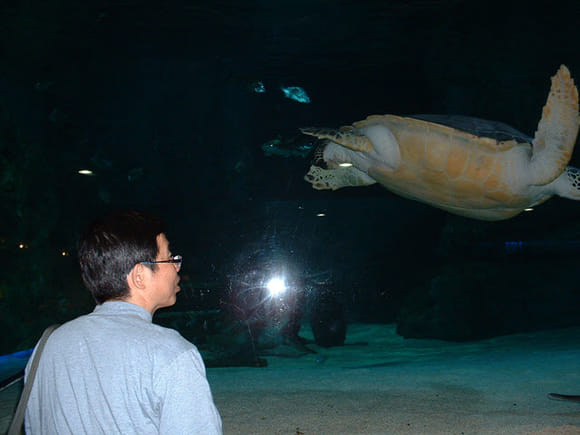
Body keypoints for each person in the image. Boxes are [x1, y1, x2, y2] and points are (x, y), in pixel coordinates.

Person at [24, 210, 222, 434]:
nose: (177, 266)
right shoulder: (172, 354)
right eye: (169, 258)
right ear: (139, 275)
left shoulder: (47, 346)